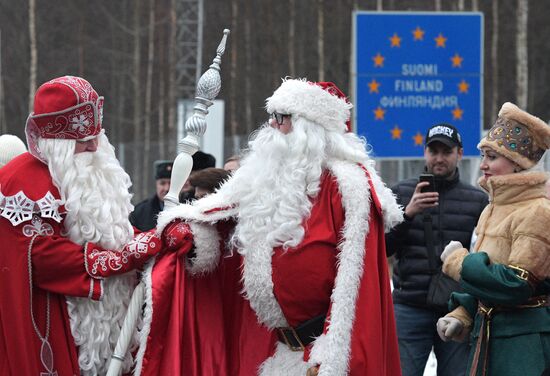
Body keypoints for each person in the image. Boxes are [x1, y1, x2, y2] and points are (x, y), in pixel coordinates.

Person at [136, 78, 404, 376]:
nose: (272, 127)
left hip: (318, 354)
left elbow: (356, 284)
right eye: (271, 116)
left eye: (282, 118)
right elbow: (223, 221)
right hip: (272, 349)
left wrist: (331, 358)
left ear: (310, 128)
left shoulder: (346, 186)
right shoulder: (264, 175)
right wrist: (192, 235)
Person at [0, 76, 171, 375]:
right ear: (56, 143)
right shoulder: (21, 182)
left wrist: (160, 236)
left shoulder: (94, 169)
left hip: (110, 331)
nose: (94, 145)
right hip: (57, 321)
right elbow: (36, 256)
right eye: (82, 141)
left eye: (98, 135)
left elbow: (113, 233)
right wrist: (118, 258)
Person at [437, 102, 550, 376]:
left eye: (491, 157)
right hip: (489, 339)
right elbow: (488, 285)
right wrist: (462, 315)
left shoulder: (538, 211)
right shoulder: (492, 208)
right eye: (483, 155)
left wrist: (459, 263)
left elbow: (515, 284)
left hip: (524, 348)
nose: (483, 165)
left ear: (516, 164)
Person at [386, 123, 488, 376]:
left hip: (456, 308)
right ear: (424, 152)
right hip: (408, 306)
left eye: (447, 151)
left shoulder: (477, 200)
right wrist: (408, 213)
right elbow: (383, 247)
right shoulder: (400, 193)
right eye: (434, 151)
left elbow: (486, 254)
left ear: (460, 154)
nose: (439, 158)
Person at [130, 160, 173, 231]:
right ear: (156, 184)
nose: (167, 188)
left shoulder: (187, 211)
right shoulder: (140, 212)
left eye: (170, 183)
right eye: (162, 183)